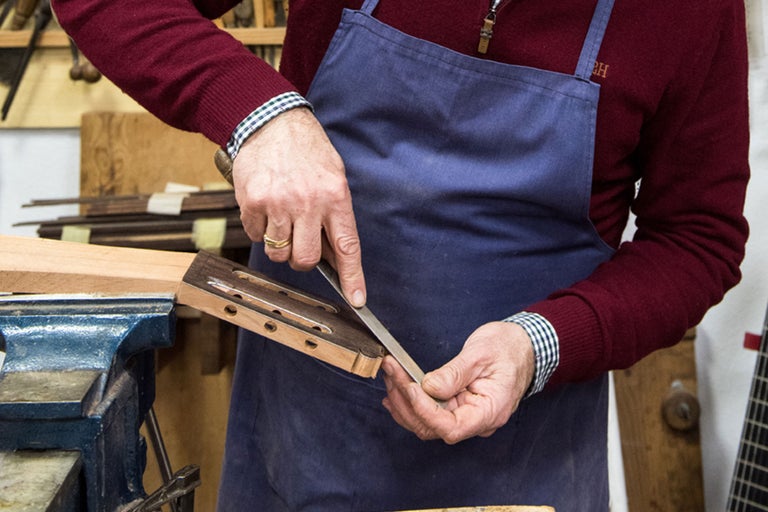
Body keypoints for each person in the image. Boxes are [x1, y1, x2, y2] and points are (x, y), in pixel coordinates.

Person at [52, 0, 750, 510]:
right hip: (307, 429)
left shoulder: (690, 14)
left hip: (522, 448)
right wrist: (257, 112)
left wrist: (538, 345)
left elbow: (697, 238)